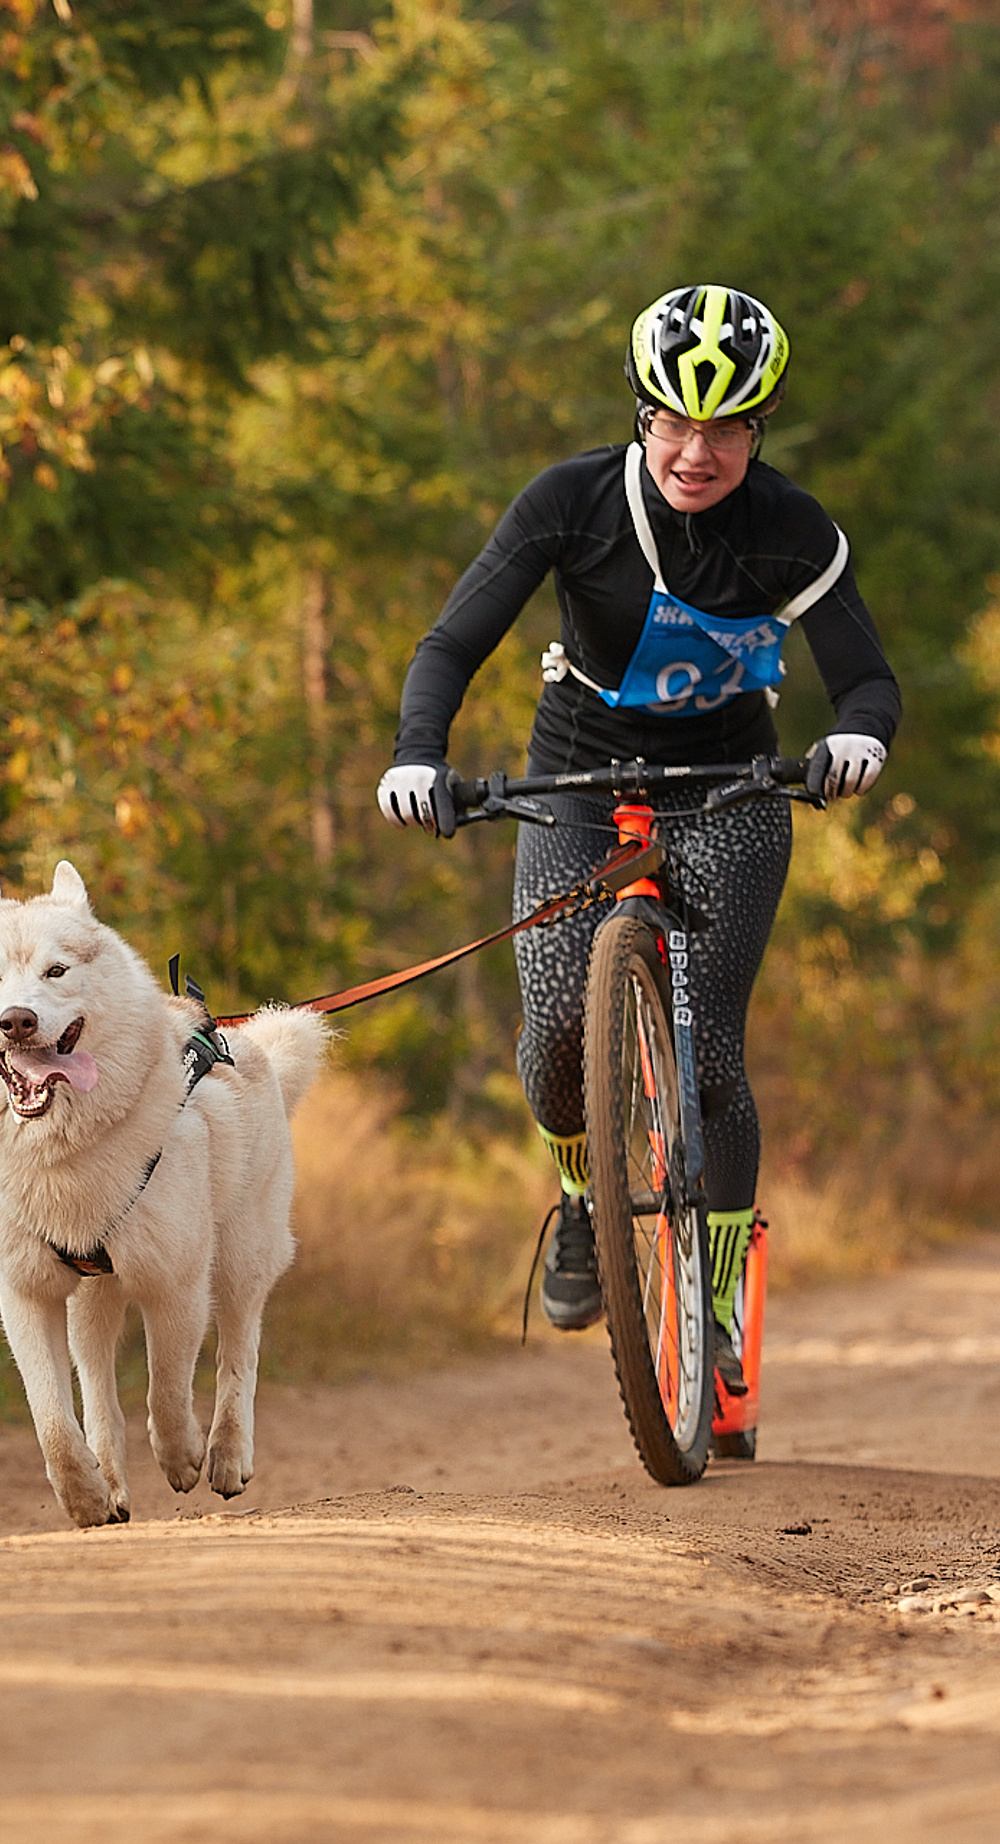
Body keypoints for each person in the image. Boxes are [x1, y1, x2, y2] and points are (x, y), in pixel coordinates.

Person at [375, 283, 900, 1388]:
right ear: (641, 414)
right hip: (576, 770)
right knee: (553, 1042)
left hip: (729, 782)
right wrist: (419, 751)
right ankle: (581, 1194)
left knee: (709, 1057)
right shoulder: (573, 503)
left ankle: (713, 1301)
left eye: (723, 428)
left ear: (758, 431)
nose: (694, 451)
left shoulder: (790, 529)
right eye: (672, 420)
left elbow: (866, 681)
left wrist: (856, 741)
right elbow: (453, 640)